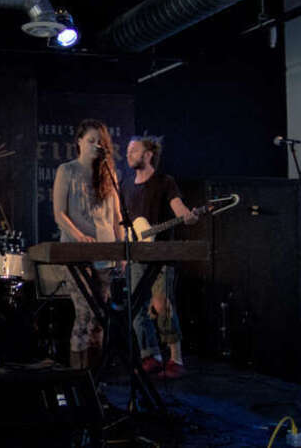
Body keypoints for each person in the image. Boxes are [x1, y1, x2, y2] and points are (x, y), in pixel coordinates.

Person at [121, 135, 197, 379]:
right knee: (136, 309)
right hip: (136, 254)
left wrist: (188, 215)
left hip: (161, 255)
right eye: (128, 151)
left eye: (134, 151)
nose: (128, 155)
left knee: (161, 304)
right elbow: (124, 223)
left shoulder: (165, 182)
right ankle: (150, 355)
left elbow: (178, 208)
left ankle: (176, 359)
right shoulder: (126, 186)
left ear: (148, 154)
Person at [52, 119, 124, 370]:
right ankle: (79, 377)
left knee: (100, 317)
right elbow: (59, 214)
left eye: (100, 142)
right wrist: (79, 236)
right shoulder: (67, 171)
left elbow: (117, 219)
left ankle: (97, 379)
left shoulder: (109, 175)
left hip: (105, 251)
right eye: (91, 141)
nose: (95, 146)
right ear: (79, 142)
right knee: (85, 312)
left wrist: (122, 250)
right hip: (76, 252)